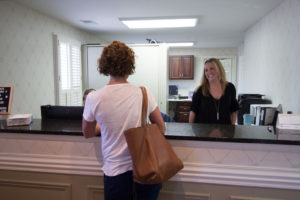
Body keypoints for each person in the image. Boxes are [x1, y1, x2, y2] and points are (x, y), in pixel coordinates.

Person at [82, 41, 166, 200]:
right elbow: (161, 128)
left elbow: (87, 133)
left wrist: (103, 126)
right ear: (130, 66)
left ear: (105, 66)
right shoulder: (143, 93)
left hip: (116, 173)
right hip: (146, 170)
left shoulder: (94, 97)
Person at [189, 58, 238, 125]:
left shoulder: (230, 88)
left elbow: (233, 111)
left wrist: (231, 129)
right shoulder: (199, 91)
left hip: (225, 132)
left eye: (212, 68)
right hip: (202, 132)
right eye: (206, 70)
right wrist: (190, 131)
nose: (209, 72)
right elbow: (193, 112)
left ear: (219, 70)